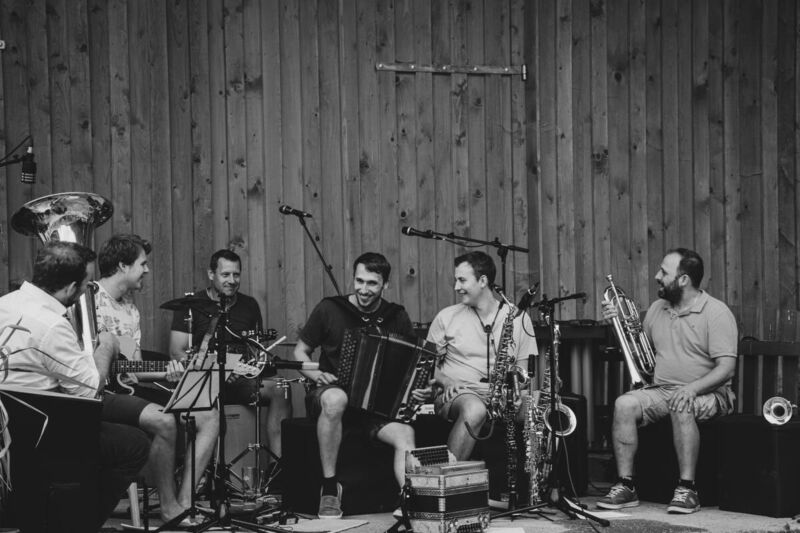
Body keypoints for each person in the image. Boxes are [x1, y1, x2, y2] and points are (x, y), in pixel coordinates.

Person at [0, 241, 150, 530]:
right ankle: (74, 524)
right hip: (37, 432)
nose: (87, 290)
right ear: (70, 288)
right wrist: (106, 346)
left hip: (6, 425)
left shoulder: (5, 303)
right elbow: (89, 391)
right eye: (85, 285)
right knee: (133, 444)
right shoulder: (52, 324)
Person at [596, 248, 737, 514]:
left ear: (683, 280)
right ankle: (626, 485)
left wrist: (691, 389)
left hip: (708, 393)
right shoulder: (657, 309)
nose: (656, 276)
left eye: (664, 272)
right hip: (662, 389)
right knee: (624, 404)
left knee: (680, 403)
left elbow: (727, 369)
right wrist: (616, 324)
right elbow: (639, 351)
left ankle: (687, 489)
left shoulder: (716, 313)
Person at [95, 234, 220, 523]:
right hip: (101, 392)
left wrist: (168, 372)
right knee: (163, 420)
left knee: (209, 414)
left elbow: (135, 368)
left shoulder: (130, 308)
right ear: (123, 265)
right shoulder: (90, 299)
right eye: (143, 264)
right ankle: (168, 507)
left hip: (126, 389)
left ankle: (185, 502)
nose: (147, 270)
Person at [292, 252, 424, 519]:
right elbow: (300, 352)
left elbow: (414, 363)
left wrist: (418, 388)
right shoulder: (330, 308)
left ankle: (411, 503)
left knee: (405, 434)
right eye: (359, 281)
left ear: (385, 284)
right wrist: (317, 375)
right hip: (330, 395)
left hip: (375, 409)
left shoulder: (396, 315)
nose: (363, 289)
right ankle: (330, 489)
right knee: (336, 399)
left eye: (372, 283)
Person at [169, 249, 292, 465]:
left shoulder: (249, 305)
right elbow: (177, 352)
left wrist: (246, 367)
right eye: (225, 274)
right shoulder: (190, 306)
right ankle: (205, 472)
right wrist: (218, 370)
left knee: (282, 388)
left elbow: (256, 349)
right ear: (211, 274)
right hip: (204, 381)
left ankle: (278, 467)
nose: (232, 280)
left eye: (236, 274)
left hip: (240, 379)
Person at [426, 251, 537, 461]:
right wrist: (447, 381)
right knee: (475, 409)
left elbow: (524, 372)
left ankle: (540, 479)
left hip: (501, 395)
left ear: (483, 281)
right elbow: (426, 364)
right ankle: (450, 478)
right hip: (460, 393)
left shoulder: (519, 318)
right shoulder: (446, 317)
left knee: (546, 406)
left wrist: (514, 390)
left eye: (462, 280)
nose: (456, 287)